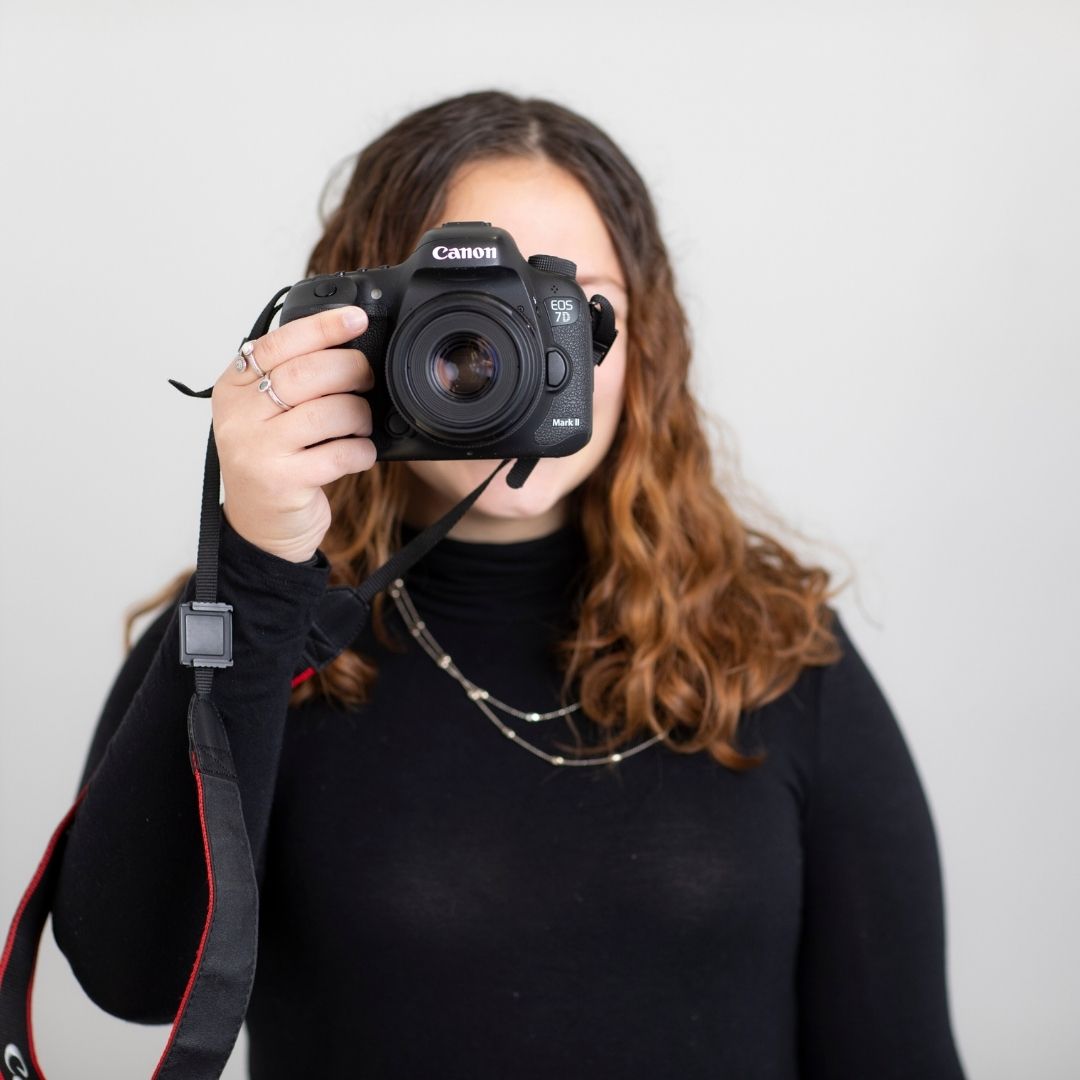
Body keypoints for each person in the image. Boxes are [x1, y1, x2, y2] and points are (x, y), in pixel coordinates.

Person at [49, 90, 967, 1077]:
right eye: (466, 319)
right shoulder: (253, 630)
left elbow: (898, 1055)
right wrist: (263, 568)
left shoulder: (775, 646)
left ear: (644, 341)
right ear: (355, 331)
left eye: (576, 308)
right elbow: (130, 980)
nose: (513, 357)